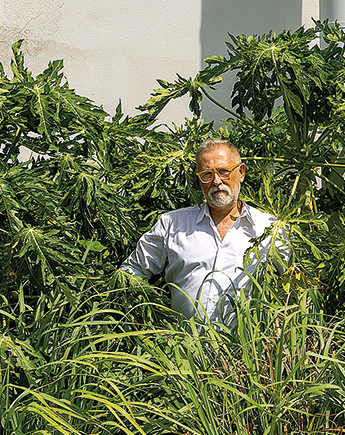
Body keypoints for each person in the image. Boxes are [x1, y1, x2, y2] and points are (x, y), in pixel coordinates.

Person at [120, 138, 287, 326]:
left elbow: (293, 284)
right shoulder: (172, 224)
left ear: (240, 172)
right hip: (181, 349)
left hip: (247, 351)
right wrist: (149, 316)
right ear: (199, 180)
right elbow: (130, 272)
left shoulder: (269, 228)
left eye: (224, 171)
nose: (216, 181)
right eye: (207, 175)